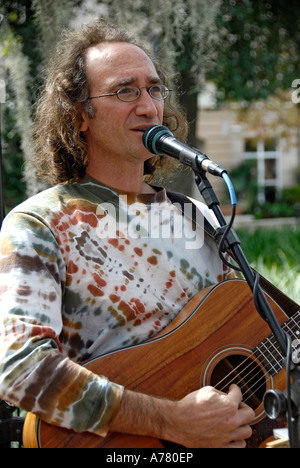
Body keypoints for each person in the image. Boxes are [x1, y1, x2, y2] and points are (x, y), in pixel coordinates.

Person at [0, 19, 255, 448]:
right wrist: (168, 421)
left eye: (154, 89)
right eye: (125, 91)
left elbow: (251, 335)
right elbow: (20, 368)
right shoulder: (39, 224)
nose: (148, 106)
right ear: (78, 115)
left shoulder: (197, 217)